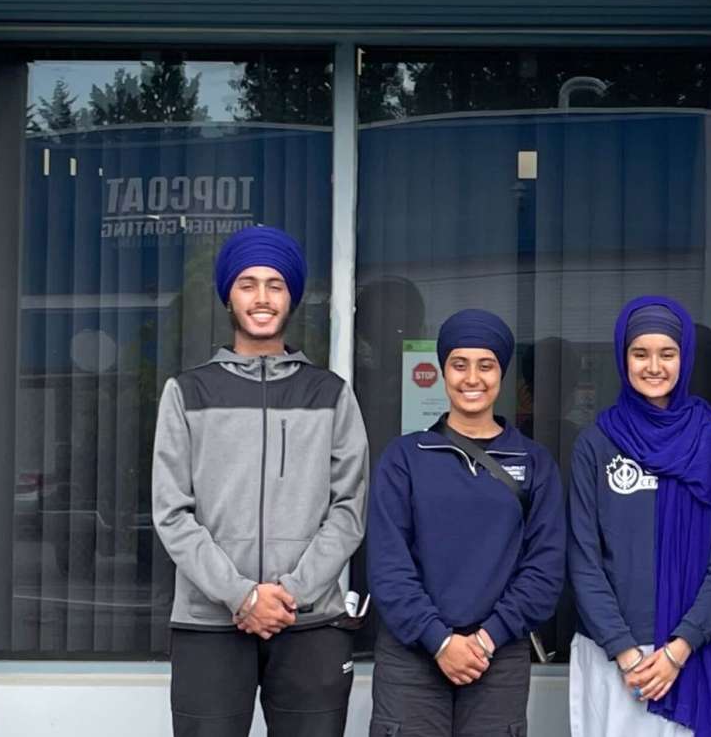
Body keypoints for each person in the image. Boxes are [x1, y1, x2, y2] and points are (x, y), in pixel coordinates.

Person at [152, 225, 370, 737]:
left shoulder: (330, 394)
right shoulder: (187, 392)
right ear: (228, 295)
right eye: (247, 284)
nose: (263, 298)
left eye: (276, 285)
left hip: (309, 622)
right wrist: (242, 596)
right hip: (209, 624)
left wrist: (290, 594)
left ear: (292, 296)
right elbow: (172, 512)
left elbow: (349, 509)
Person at [567, 295, 711, 737]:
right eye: (640, 353)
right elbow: (583, 557)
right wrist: (624, 651)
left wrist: (680, 647)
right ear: (623, 358)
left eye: (667, 354)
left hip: (687, 655)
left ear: (685, 357)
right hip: (612, 657)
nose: (653, 366)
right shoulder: (595, 444)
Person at [366, 308, 566, 737]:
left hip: (498, 655)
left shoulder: (534, 463)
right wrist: (438, 639)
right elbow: (388, 564)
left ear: (502, 373)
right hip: (411, 657)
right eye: (459, 364)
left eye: (486, 365)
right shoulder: (405, 458)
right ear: (443, 371)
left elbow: (544, 569)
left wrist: (486, 638)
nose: (472, 378)